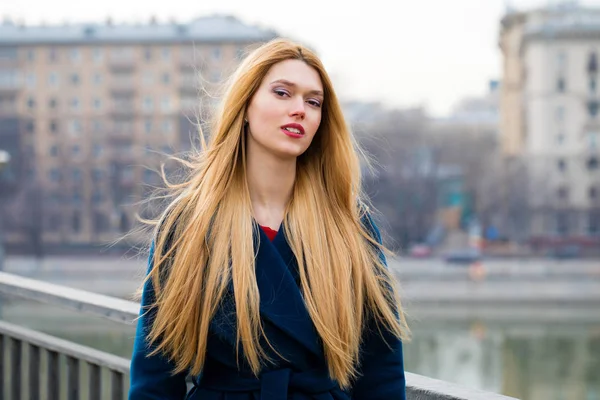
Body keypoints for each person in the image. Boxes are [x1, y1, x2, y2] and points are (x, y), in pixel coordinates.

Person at [128, 38, 410, 400]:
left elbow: (381, 370)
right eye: (282, 93)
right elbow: (155, 375)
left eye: (313, 102)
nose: (300, 110)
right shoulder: (189, 223)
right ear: (245, 106)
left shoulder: (348, 223)